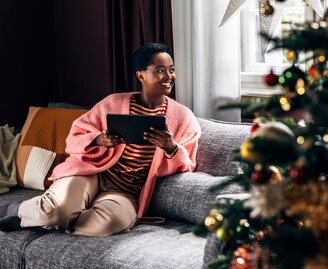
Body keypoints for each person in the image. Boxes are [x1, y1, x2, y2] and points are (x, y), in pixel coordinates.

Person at [0, 43, 201, 236]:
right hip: (91, 174)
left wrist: (171, 148)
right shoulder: (113, 103)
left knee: (108, 224)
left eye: (171, 70)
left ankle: (49, 219)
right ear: (141, 75)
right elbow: (74, 136)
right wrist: (98, 140)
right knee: (57, 209)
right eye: (160, 70)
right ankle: (24, 210)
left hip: (126, 192)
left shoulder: (183, 118)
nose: (169, 76)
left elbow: (188, 164)